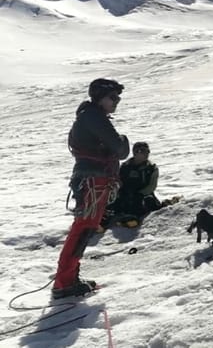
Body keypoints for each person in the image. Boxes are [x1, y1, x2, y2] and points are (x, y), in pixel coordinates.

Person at [53, 78, 130, 299]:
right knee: (84, 228)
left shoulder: (90, 116)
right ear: (100, 98)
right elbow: (120, 149)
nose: (116, 102)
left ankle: (67, 279)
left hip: (91, 179)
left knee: (84, 227)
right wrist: (123, 140)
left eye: (118, 97)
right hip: (94, 180)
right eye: (112, 97)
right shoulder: (94, 117)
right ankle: (64, 282)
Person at [102, 141, 160, 228]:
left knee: (146, 202)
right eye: (139, 151)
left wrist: (140, 194)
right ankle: (103, 222)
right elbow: (118, 181)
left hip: (142, 194)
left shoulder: (151, 168)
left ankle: (132, 219)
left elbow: (152, 186)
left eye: (145, 151)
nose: (143, 154)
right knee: (115, 203)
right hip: (125, 193)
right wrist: (120, 191)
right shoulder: (125, 166)